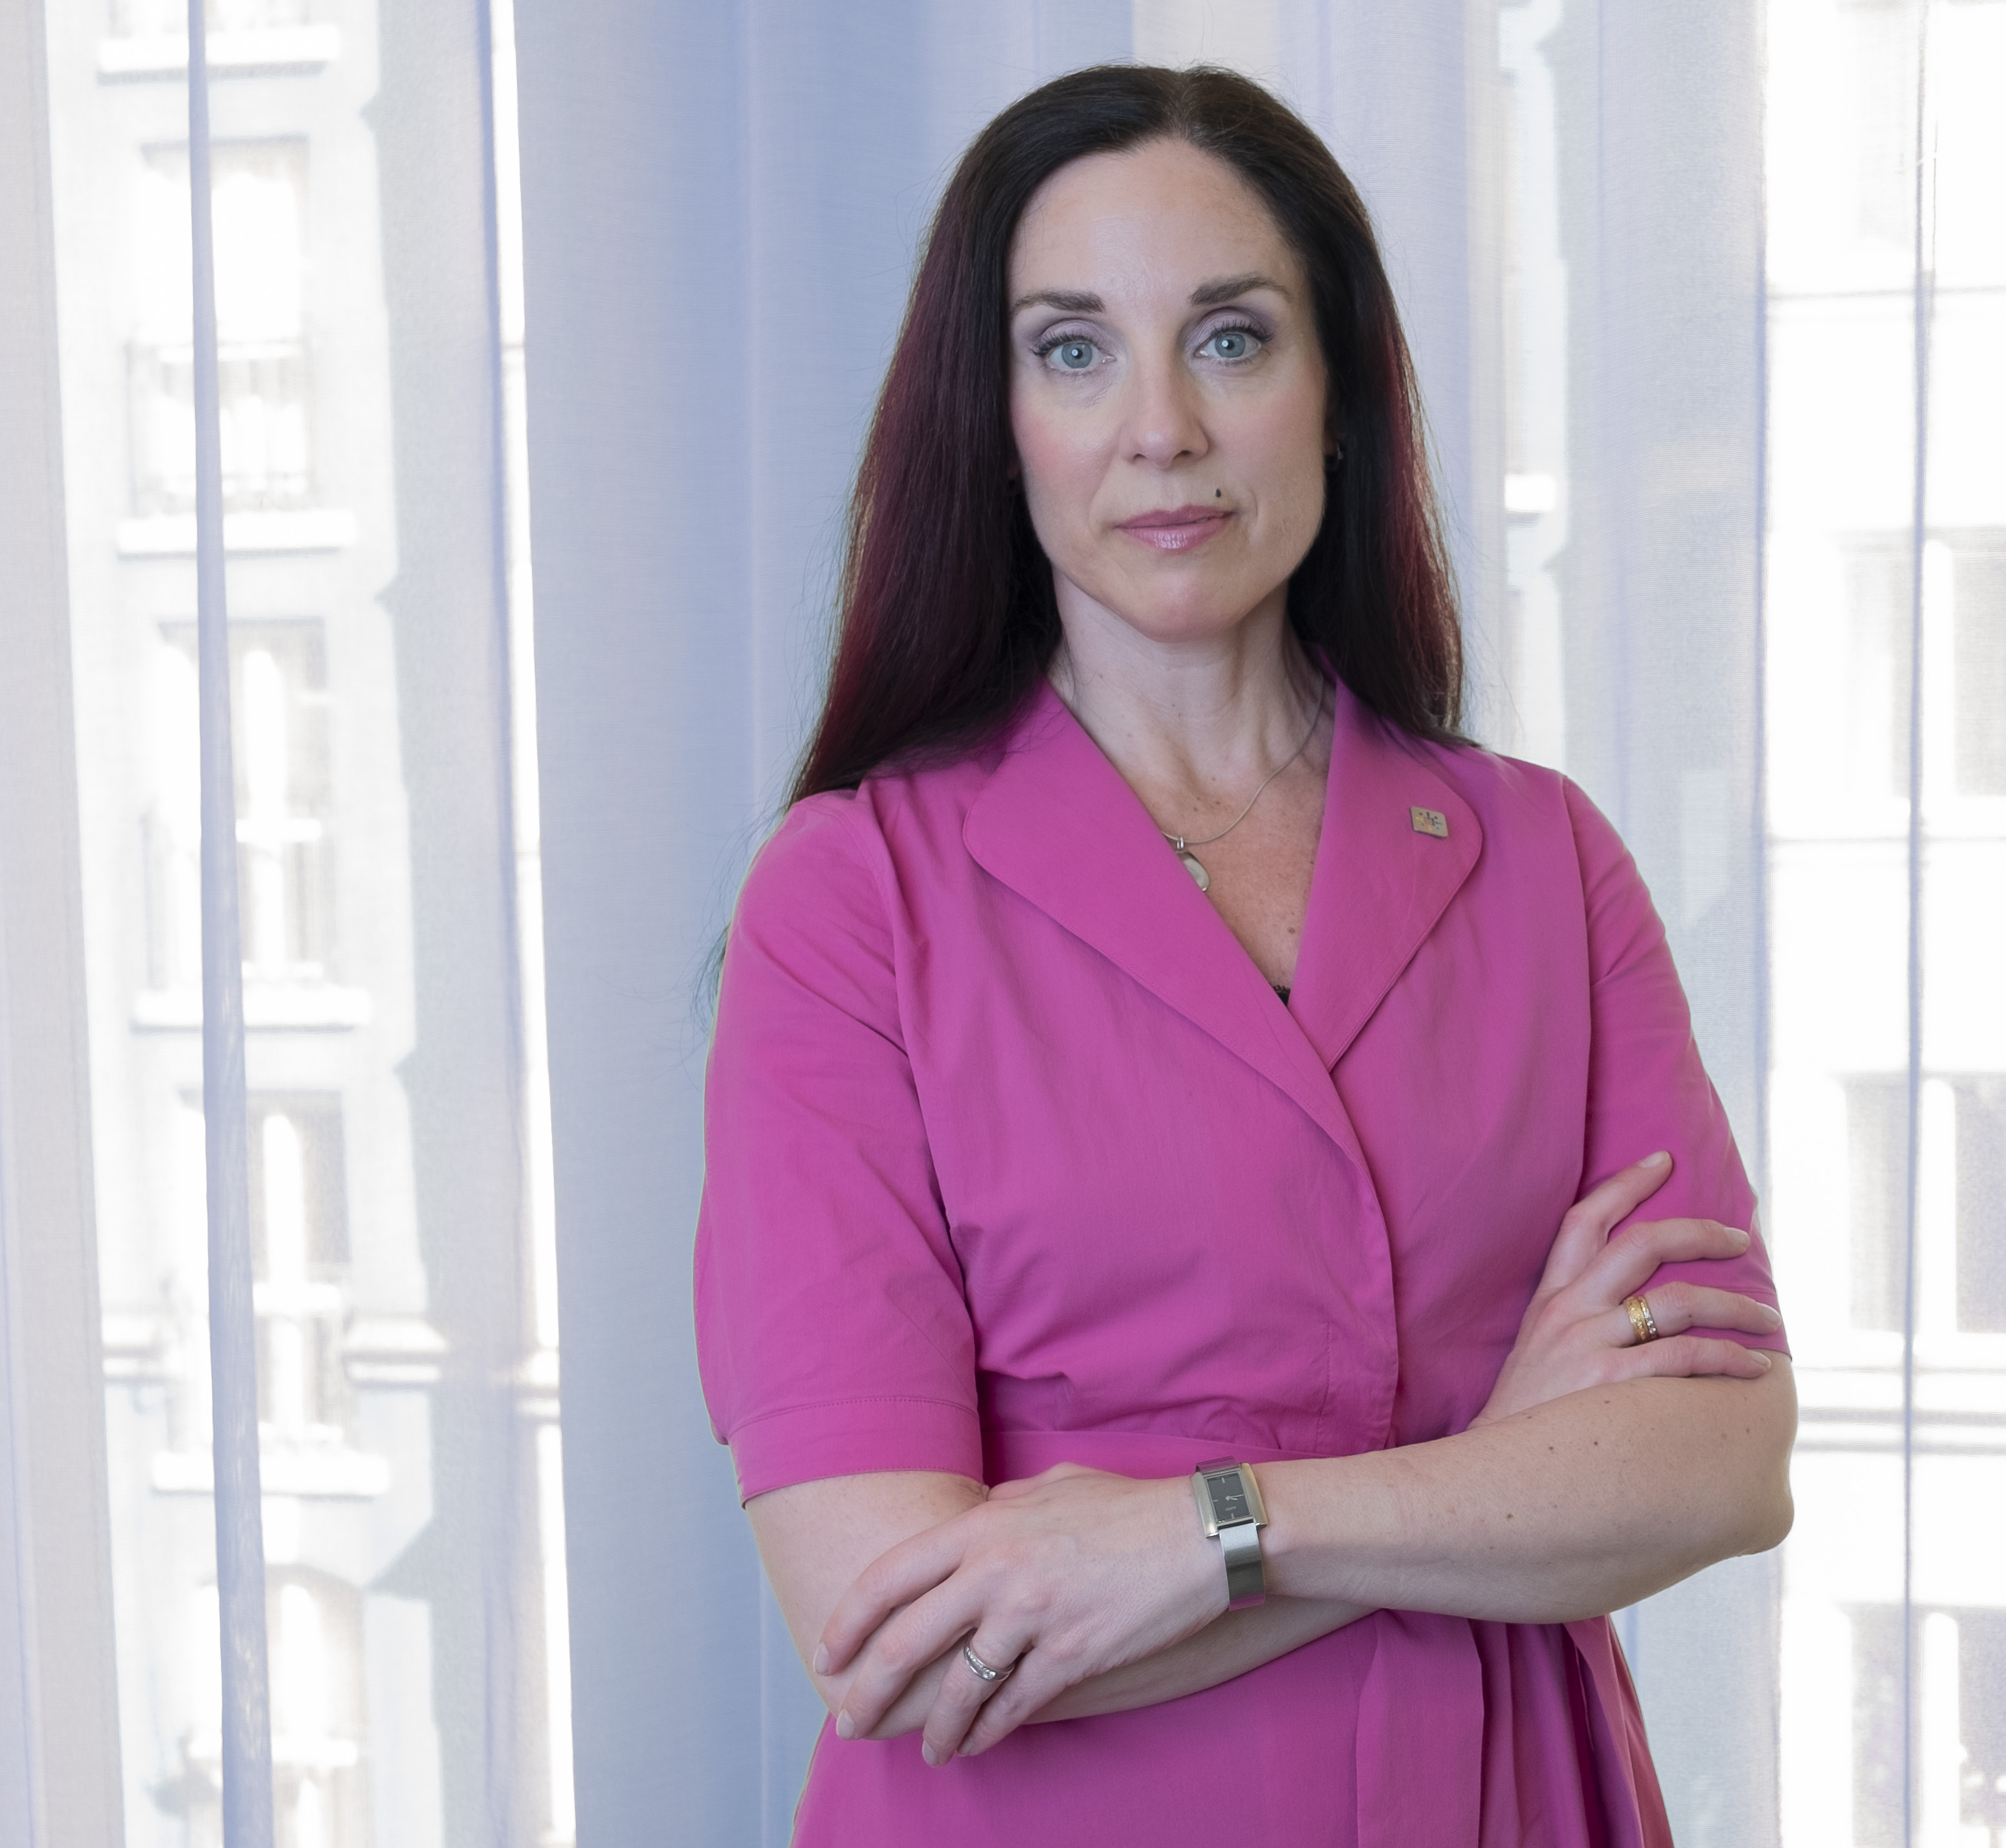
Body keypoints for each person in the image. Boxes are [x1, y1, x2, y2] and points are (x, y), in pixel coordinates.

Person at [694, 63, 1793, 1845]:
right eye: (1072, 350)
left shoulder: (1545, 860)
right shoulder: (851, 899)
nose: (1161, 428)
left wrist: (1203, 1533)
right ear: (995, 423)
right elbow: (896, 1630)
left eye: (1229, 338)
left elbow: (1721, 1466)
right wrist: (1496, 1483)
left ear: (1336, 392)